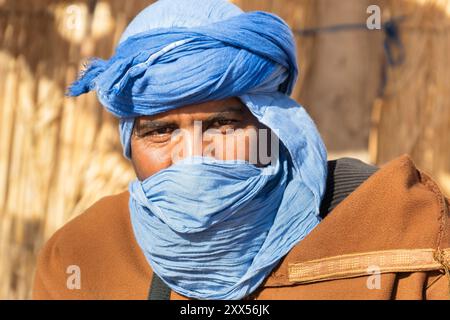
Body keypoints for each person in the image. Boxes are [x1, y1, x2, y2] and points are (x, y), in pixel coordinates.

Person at [33, 0, 450, 300]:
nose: (193, 155)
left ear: (273, 123)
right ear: (130, 143)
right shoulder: (83, 255)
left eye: (223, 124)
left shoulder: (402, 228)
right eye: (160, 131)